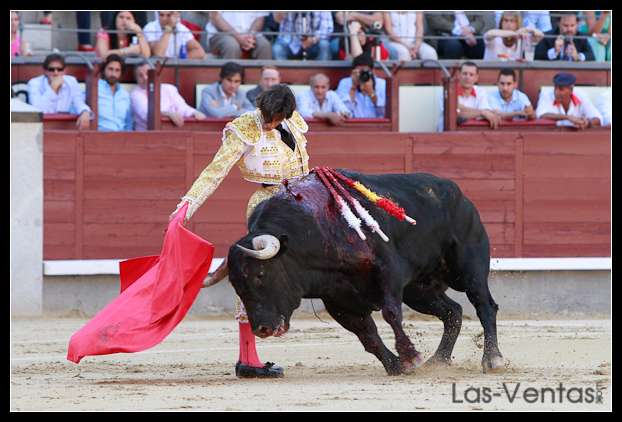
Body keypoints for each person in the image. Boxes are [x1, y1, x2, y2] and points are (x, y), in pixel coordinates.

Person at [169, 84, 312, 378]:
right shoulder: (245, 127)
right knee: (255, 275)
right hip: (267, 206)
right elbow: (215, 170)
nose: (270, 123)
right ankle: (248, 358)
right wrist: (187, 206)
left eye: (276, 118)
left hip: (300, 203)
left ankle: (280, 317)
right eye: (267, 117)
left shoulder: (293, 122)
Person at [131, 61, 206, 131]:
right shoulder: (135, 94)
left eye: (148, 73)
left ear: (155, 74)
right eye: (140, 76)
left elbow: (183, 107)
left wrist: (194, 113)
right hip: (147, 135)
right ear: (136, 79)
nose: (145, 78)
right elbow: (146, 114)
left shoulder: (169, 88)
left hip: (173, 132)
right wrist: (169, 114)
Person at [27, 53, 92, 130]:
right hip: (41, 128)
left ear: (64, 71)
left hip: (66, 128)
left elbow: (78, 102)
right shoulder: (34, 83)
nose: (56, 73)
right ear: (45, 71)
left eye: (59, 69)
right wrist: (53, 88)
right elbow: (38, 110)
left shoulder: (71, 81)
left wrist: (84, 112)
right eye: (51, 69)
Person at [536, 72, 602, 129]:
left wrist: (587, 123)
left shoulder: (581, 95)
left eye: (561, 89)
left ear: (571, 90)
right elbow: (541, 115)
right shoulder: (546, 94)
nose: (556, 92)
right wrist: (568, 117)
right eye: (555, 88)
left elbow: (598, 118)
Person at [336, 53, 386, 118]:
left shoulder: (382, 84)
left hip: (377, 125)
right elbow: (344, 112)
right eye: (359, 72)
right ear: (353, 71)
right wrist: (353, 87)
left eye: (365, 71)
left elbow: (384, 113)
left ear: (373, 71)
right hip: (353, 125)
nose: (362, 75)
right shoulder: (345, 83)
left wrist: (371, 93)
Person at [206, 12, 272, 59]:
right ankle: (231, 77)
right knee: (231, 46)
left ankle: (265, 77)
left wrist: (250, 35)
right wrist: (238, 37)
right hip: (222, 33)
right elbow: (216, 18)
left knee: (264, 45)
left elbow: (260, 18)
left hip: (251, 33)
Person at [454, 61, 500, 128]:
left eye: (471, 74)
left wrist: (462, 109)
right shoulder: (449, 91)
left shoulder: (480, 91)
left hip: (472, 131)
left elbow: (486, 112)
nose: (467, 77)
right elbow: (455, 114)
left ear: (476, 78)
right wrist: (482, 112)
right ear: (459, 75)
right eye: (464, 74)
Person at [97, 54, 132, 131]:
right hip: (99, 137)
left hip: (122, 138)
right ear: (103, 70)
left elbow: (129, 122)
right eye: (110, 69)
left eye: (117, 70)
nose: (113, 74)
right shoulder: (95, 89)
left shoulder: (125, 95)